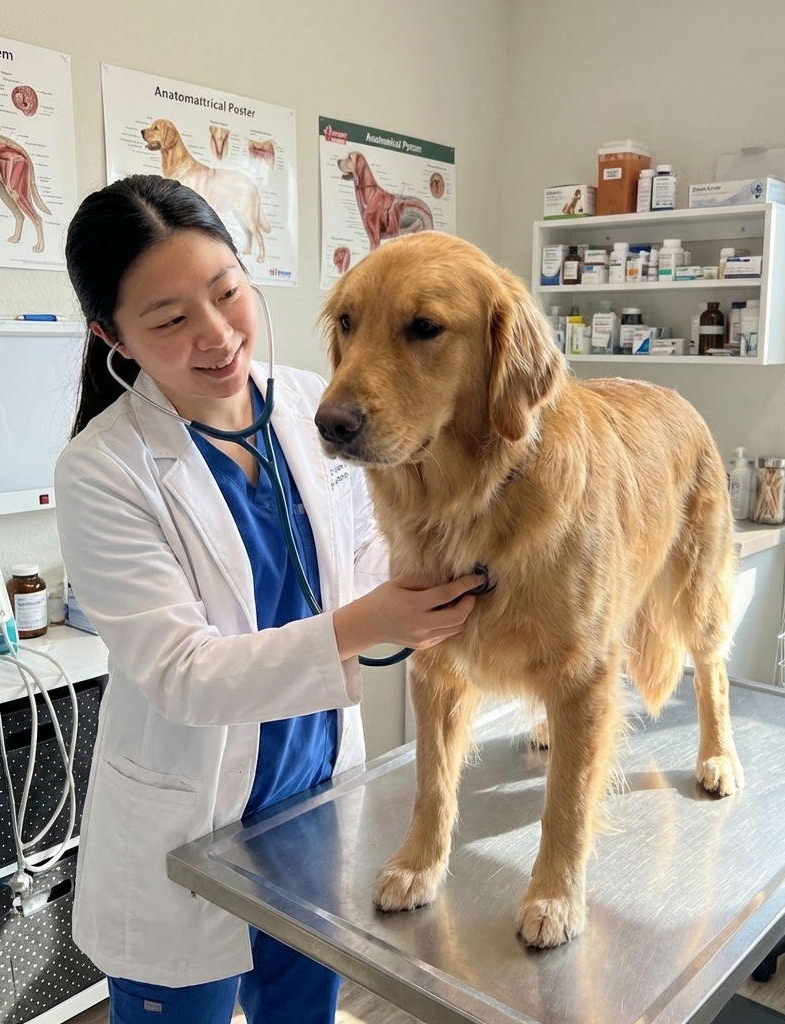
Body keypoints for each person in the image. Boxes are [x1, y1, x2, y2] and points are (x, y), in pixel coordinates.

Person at [55, 174, 481, 1024]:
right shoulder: (102, 470)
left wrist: (433, 586)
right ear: (114, 337)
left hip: (308, 814)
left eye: (227, 293)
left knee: (303, 1013)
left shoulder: (311, 407)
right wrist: (375, 621)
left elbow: (364, 556)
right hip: (188, 837)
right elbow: (184, 674)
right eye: (171, 320)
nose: (216, 336)